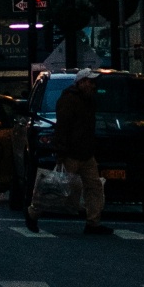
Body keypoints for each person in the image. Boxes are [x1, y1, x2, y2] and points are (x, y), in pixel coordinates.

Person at [26, 69, 113, 236]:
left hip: (85, 152)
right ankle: (33, 212)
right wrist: (60, 152)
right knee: (57, 189)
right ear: (80, 82)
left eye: (93, 82)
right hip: (72, 153)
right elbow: (62, 128)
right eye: (89, 81)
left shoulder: (87, 100)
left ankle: (93, 222)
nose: (92, 85)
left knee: (92, 187)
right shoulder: (69, 100)